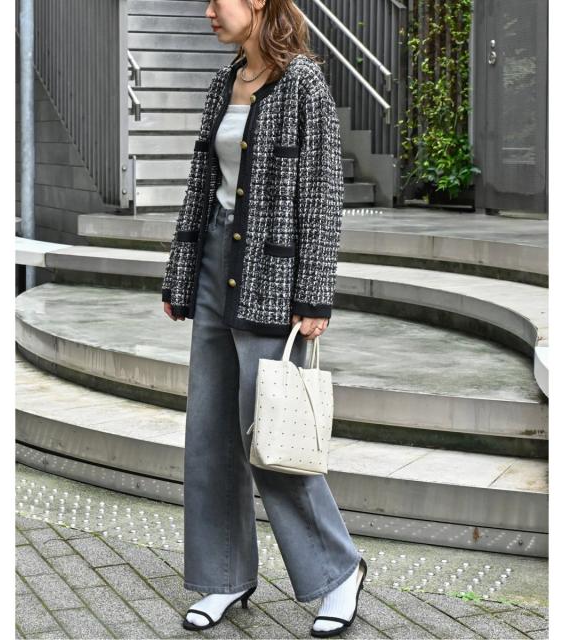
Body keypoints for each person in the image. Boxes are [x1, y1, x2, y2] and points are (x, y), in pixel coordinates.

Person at [161, 1, 366, 636]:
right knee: (210, 435)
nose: (208, 12)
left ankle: (338, 571)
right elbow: (202, 184)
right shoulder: (224, 81)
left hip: (272, 277)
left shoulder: (303, 82)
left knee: (273, 436)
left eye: (216, 0)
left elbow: (323, 193)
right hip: (214, 265)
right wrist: (180, 273)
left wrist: (314, 293)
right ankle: (223, 577)